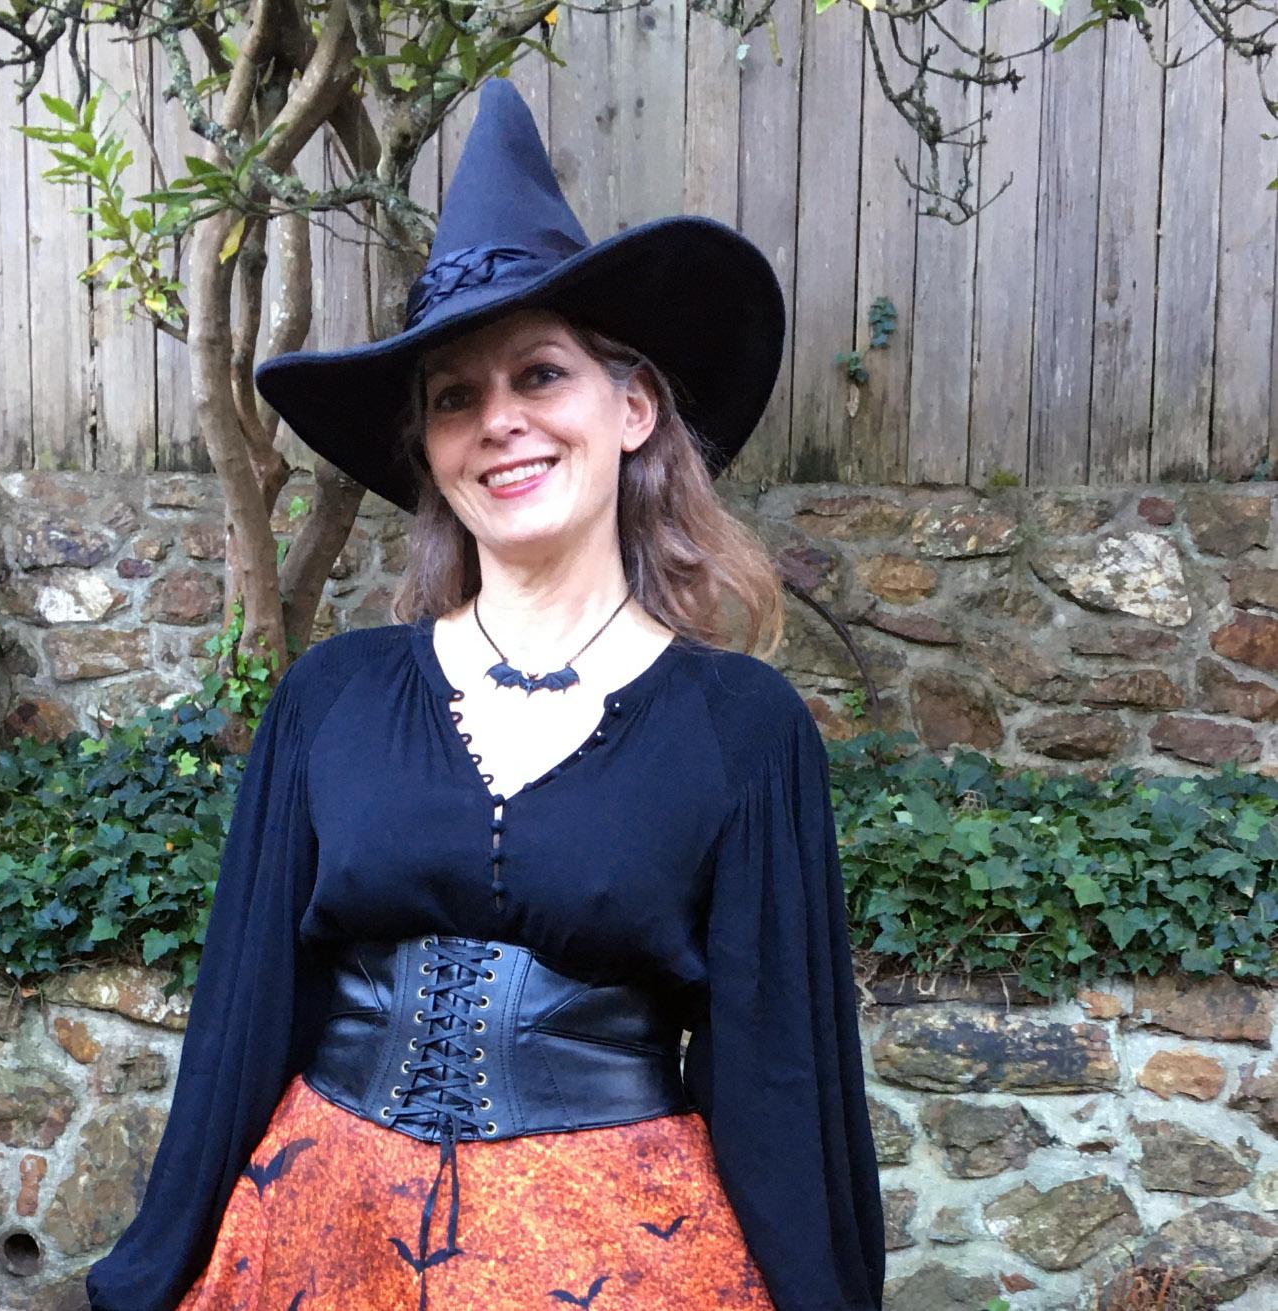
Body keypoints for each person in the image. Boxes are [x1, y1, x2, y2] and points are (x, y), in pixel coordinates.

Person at [86, 78, 885, 1311]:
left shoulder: (741, 732)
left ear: (633, 408)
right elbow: (244, 1018)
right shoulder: (333, 701)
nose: (500, 422)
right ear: (429, 448)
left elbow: (781, 1076)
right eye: (456, 396)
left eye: (541, 376)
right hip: (320, 1239)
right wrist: (151, 1279)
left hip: (624, 1261)